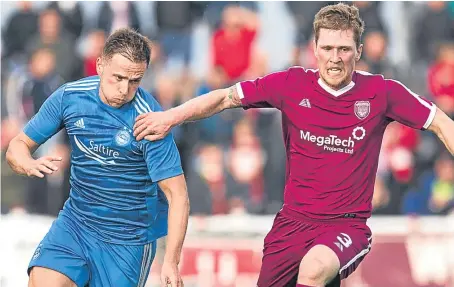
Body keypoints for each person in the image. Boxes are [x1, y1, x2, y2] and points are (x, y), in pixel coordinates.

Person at [132, 3, 454, 287]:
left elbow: (440, 121)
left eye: (344, 49)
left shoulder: (381, 92)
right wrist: (169, 117)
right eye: (327, 48)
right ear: (314, 48)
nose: (335, 58)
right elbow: (225, 97)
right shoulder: (290, 85)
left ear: (358, 51)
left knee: (314, 269)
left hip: (345, 226)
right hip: (291, 224)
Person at [6, 28, 189, 287]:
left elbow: (178, 194)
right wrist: (25, 162)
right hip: (76, 223)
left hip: (128, 239)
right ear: (100, 64)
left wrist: (171, 261)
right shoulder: (70, 97)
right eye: (118, 77)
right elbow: (18, 145)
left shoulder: (150, 121)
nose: (125, 89)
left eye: (135, 80)